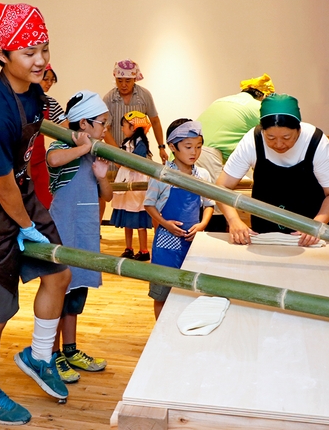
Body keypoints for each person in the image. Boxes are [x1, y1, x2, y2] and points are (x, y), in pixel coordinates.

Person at [0, 2, 71, 425]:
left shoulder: (34, 93)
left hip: (20, 194)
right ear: (2, 56)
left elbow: (28, 152)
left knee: (59, 273)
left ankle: (39, 356)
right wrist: (26, 226)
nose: (40, 60)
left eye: (44, 49)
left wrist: (78, 137)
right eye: (29, 53)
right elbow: (1, 185)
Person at [216, 94, 329, 247]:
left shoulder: (315, 142)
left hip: (309, 236)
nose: (278, 144)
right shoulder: (253, 140)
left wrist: (317, 224)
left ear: (299, 129)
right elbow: (222, 186)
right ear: (263, 130)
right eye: (270, 138)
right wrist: (233, 220)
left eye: (286, 137)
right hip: (263, 234)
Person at [45, 90, 112, 383]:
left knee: (76, 293)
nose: (105, 129)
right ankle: (51, 354)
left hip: (85, 233)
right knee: (58, 294)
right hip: (63, 231)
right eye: (102, 123)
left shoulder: (96, 152)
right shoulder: (62, 143)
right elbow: (53, 159)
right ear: (84, 123)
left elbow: (107, 196)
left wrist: (101, 176)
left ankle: (70, 349)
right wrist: (83, 149)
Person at [144, 119, 215, 319]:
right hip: (165, 244)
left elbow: (209, 204)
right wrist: (165, 223)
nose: (194, 152)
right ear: (172, 147)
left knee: (190, 293)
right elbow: (149, 204)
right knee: (162, 294)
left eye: (198, 147)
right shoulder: (161, 175)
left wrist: (202, 224)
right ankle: (161, 332)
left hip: (193, 242)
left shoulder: (202, 175)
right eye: (188, 147)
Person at [196, 73, 276, 182]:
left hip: (188, 148)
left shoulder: (222, 100)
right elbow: (273, 136)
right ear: (264, 96)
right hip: (208, 154)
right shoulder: (259, 107)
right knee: (214, 191)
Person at [102, 59, 168, 164]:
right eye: (119, 80)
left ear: (134, 79)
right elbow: (105, 130)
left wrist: (161, 147)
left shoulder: (144, 95)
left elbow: (155, 121)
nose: (123, 85)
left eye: (128, 80)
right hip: (115, 158)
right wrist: (118, 155)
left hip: (140, 156)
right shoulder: (109, 99)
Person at [109, 111, 153, 261]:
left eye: (124, 126)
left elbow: (134, 161)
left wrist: (121, 160)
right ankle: (128, 248)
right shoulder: (128, 142)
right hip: (126, 180)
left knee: (139, 216)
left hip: (136, 183)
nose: (122, 129)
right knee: (127, 215)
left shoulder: (140, 143)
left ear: (134, 127)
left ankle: (144, 250)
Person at [30, 64, 66, 209]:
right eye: (46, 79)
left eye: (52, 80)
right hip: (19, 160)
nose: (49, 83)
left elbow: (66, 127)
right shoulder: (21, 100)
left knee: (45, 201)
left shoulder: (50, 103)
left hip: (39, 159)